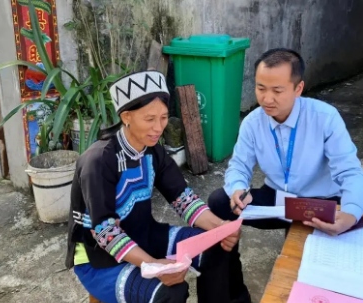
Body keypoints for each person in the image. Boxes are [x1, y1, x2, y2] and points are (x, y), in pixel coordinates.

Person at [65, 70, 242, 303]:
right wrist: (152, 265)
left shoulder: (153, 150)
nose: (159, 128)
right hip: (99, 260)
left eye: (164, 117)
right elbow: (105, 233)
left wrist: (221, 228)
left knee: (216, 246)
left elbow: (183, 199)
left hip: (144, 236)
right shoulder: (98, 161)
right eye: (149, 119)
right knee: (168, 293)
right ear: (126, 116)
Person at [208, 48, 363, 299]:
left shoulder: (325, 118)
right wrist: (238, 188)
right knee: (218, 204)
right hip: (277, 200)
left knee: (315, 269)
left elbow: (350, 172)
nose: (267, 99)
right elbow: (239, 166)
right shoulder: (253, 123)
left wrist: (350, 214)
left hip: (319, 203)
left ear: (298, 88)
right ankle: (232, 296)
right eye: (261, 88)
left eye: (277, 90)